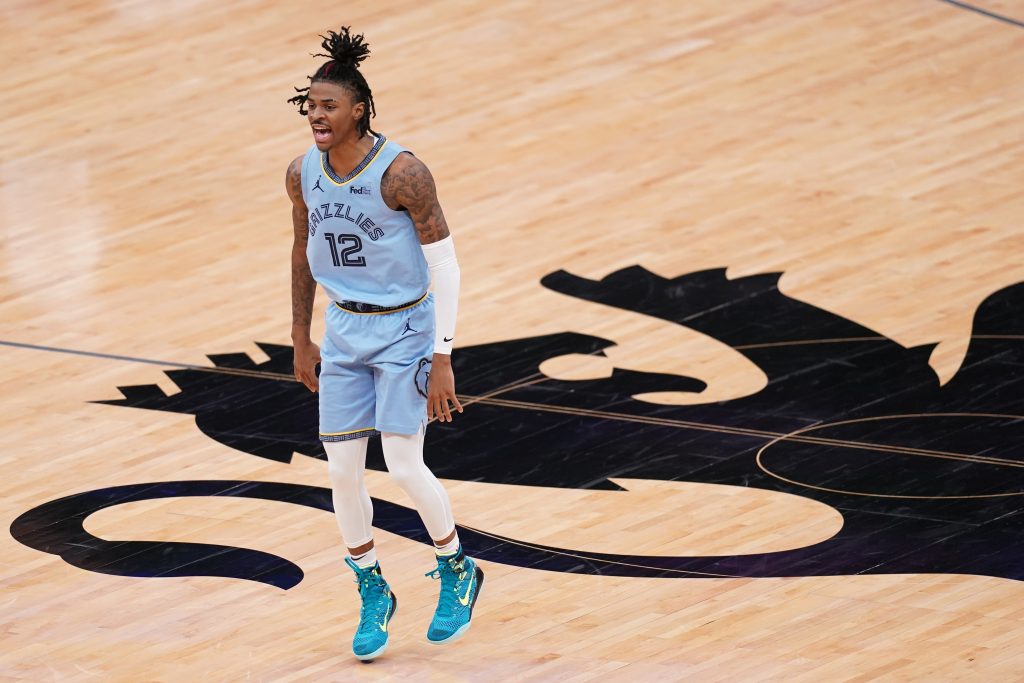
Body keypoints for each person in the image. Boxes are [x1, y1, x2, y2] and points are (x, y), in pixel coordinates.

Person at [285, 26, 483, 662]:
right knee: (341, 468)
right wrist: (299, 334)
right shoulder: (301, 173)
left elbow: (446, 264)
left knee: (401, 463)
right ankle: (372, 588)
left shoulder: (404, 174)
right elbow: (301, 249)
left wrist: (444, 352)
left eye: (329, 105)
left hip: (405, 328)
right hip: (344, 328)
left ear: (359, 109)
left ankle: (457, 567)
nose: (317, 114)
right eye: (310, 105)